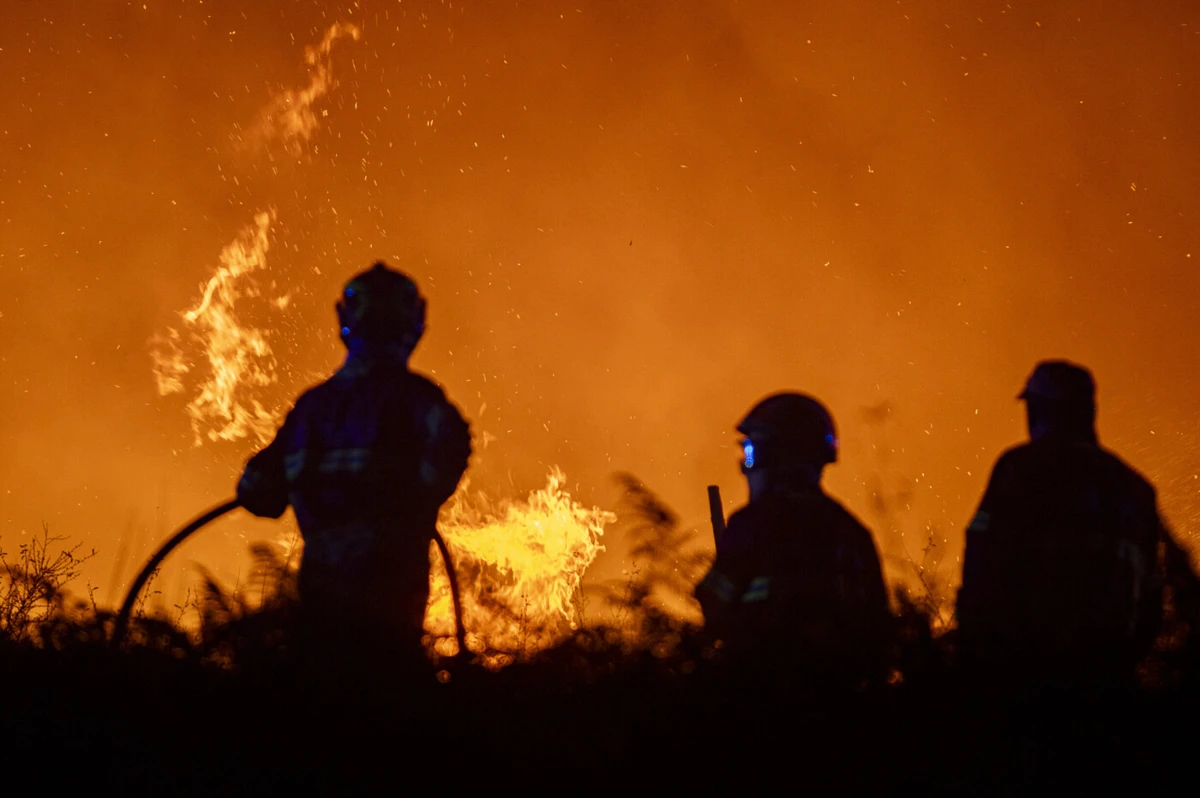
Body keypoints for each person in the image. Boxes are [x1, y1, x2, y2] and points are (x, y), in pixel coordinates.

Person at [236, 262, 471, 666]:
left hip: (321, 612)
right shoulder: (419, 401)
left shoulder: (312, 409)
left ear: (346, 321)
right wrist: (411, 505)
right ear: (414, 324)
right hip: (392, 609)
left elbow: (258, 492)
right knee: (389, 711)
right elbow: (449, 455)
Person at [956, 360, 1182, 685]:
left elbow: (980, 560)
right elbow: (1152, 598)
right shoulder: (1135, 488)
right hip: (1107, 677)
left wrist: (969, 652)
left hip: (1025, 671)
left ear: (1040, 410)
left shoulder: (1019, 470)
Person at [696, 393, 891, 686]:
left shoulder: (752, 524)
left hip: (765, 700)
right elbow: (880, 632)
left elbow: (712, 604)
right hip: (843, 706)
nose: (745, 467)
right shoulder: (852, 533)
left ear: (774, 457)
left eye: (750, 452)